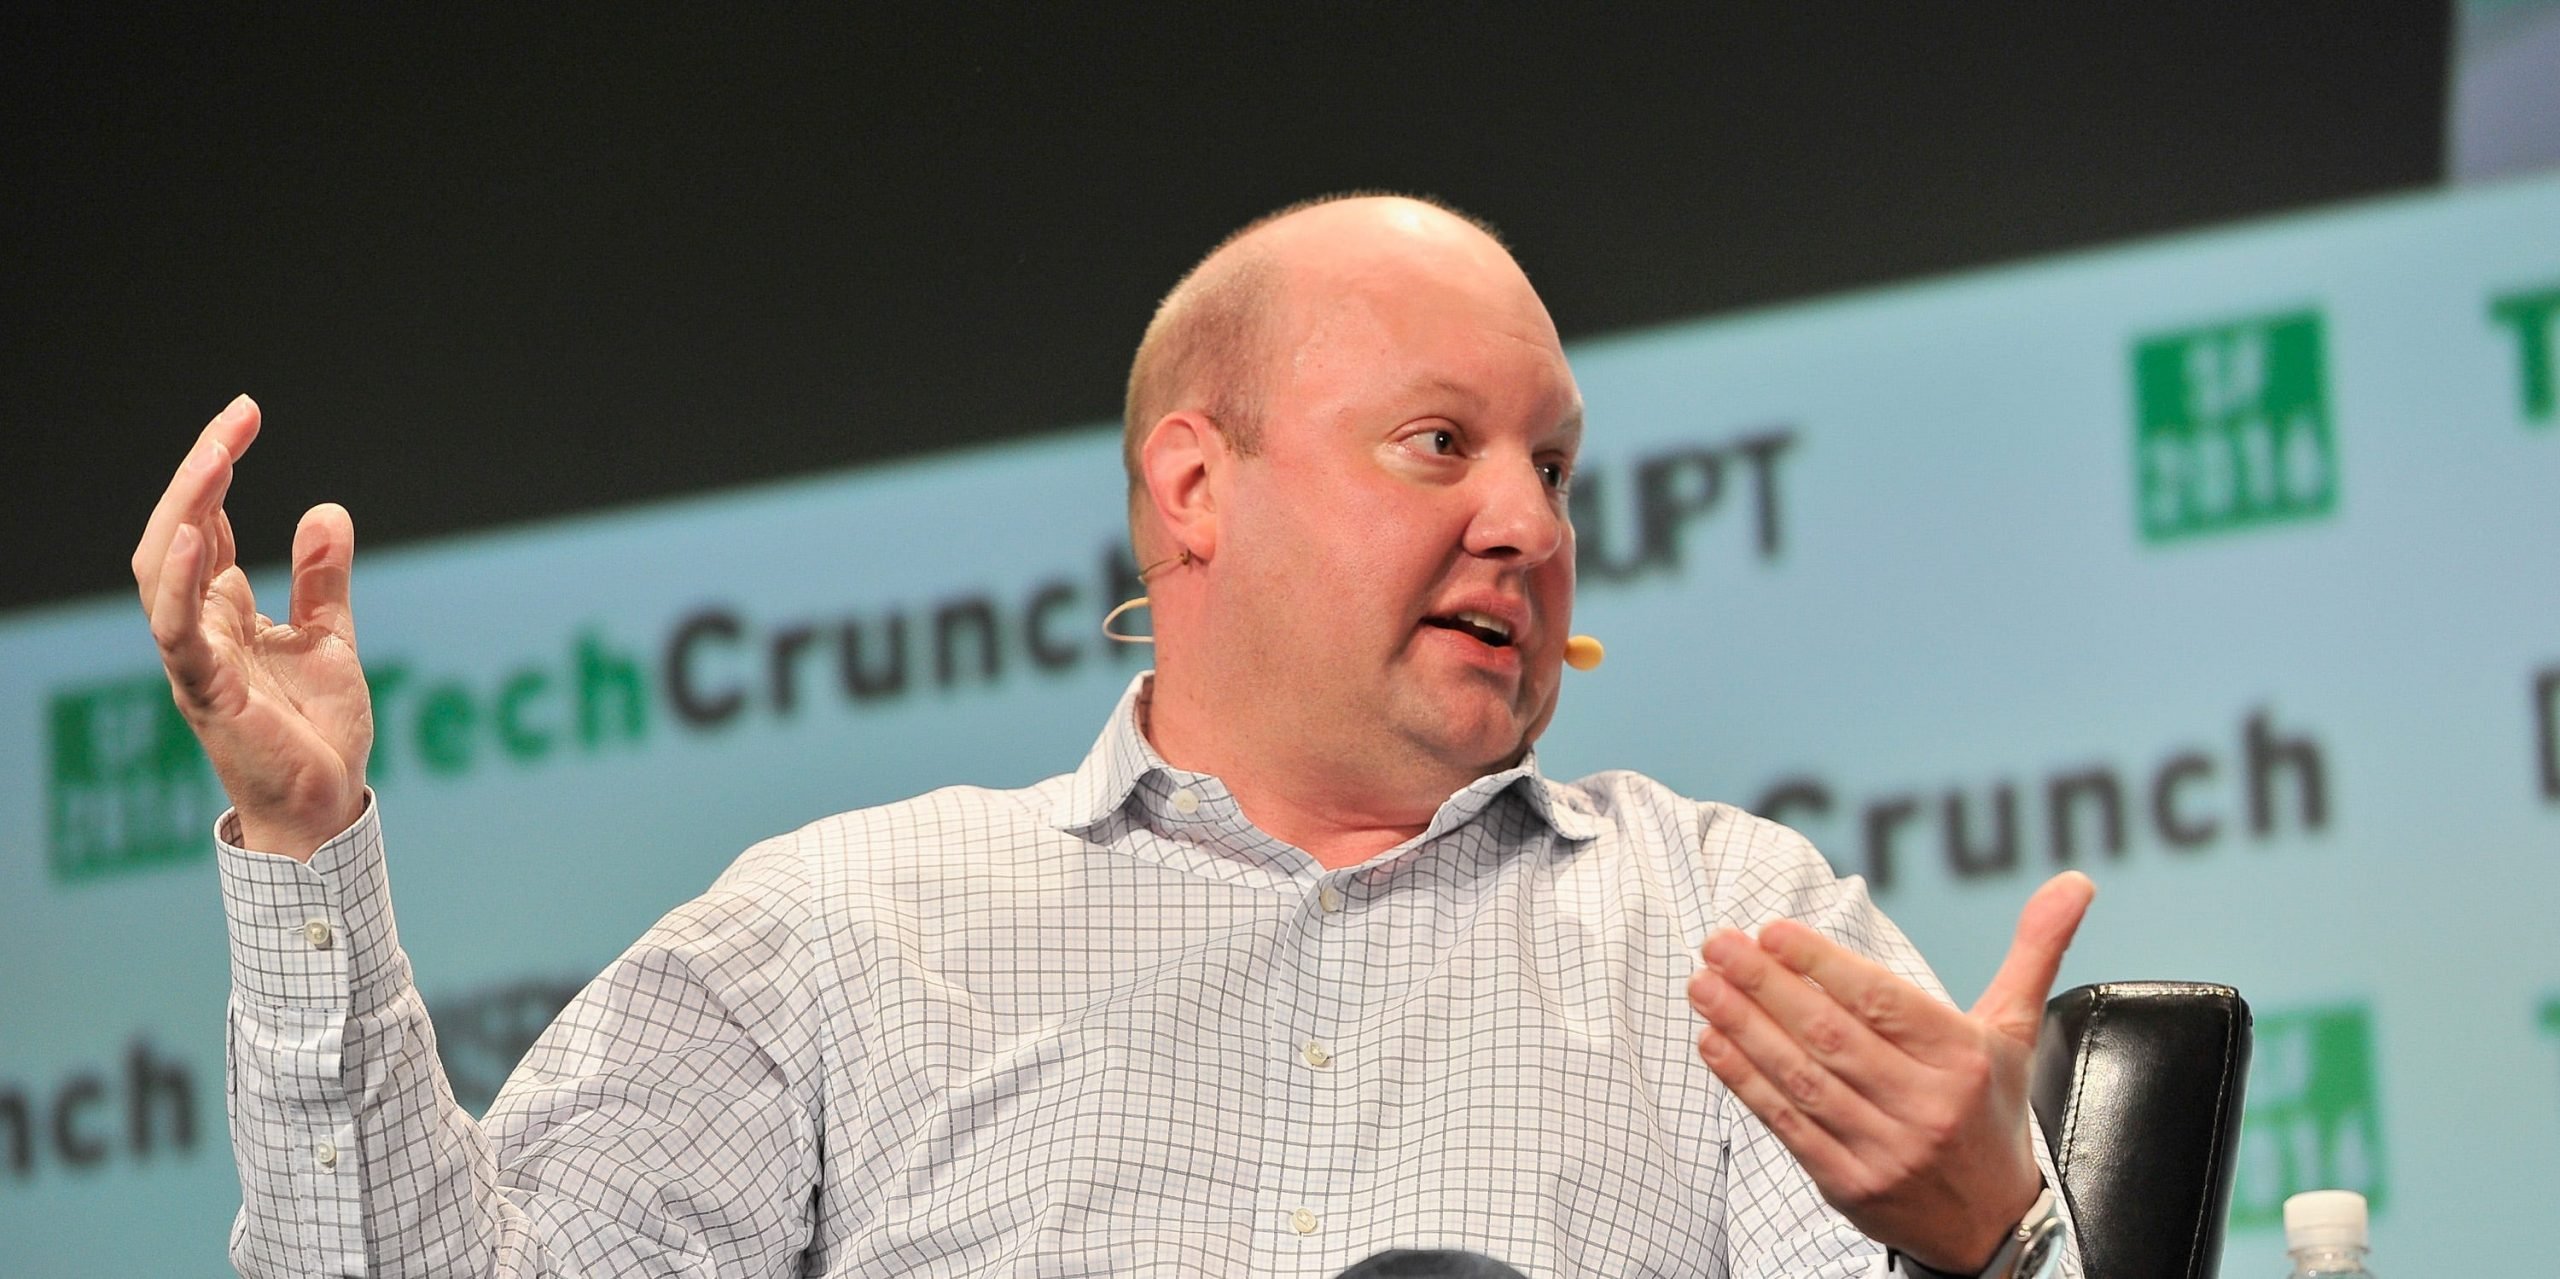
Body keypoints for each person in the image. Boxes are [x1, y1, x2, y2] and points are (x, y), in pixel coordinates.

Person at [135, 193, 2094, 1278]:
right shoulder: (832, 939)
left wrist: (1991, 1247)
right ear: (1195, 489)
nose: (1526, 521)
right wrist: (309, 856)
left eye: (1552, 465)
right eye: (1439, 443)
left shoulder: (1728, 925)